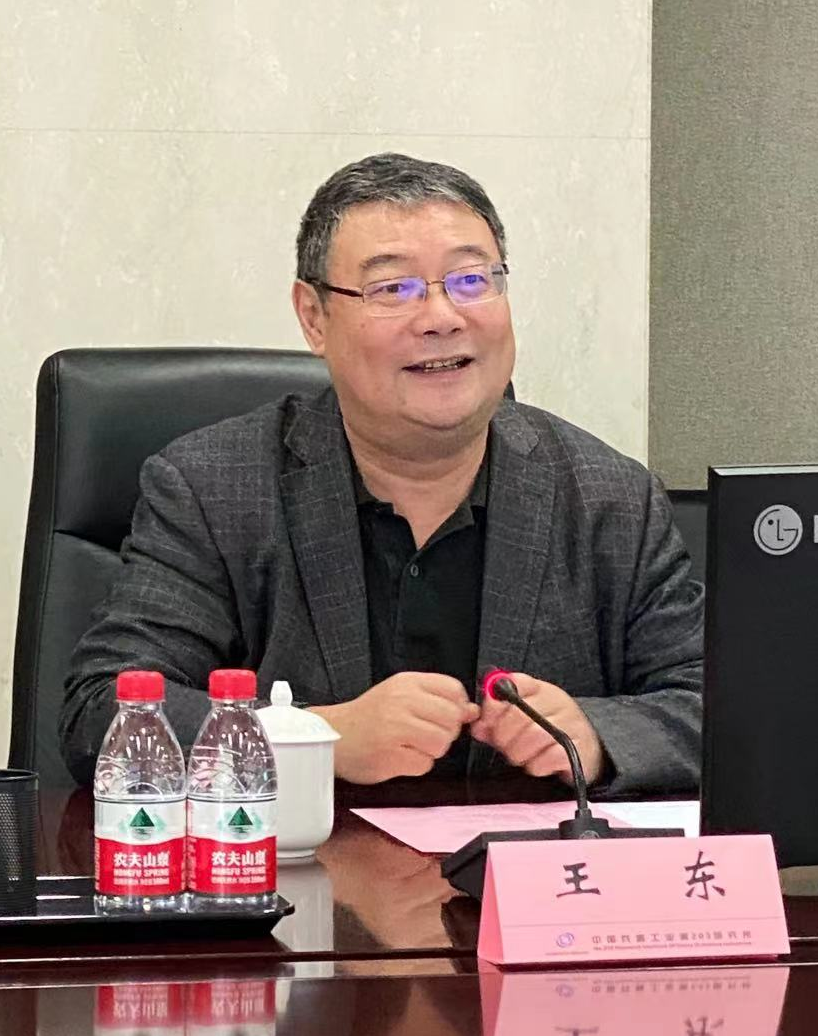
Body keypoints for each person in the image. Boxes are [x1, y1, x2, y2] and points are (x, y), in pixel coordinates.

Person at [60, 152, 703, 793]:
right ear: (314, 317)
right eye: (393, 289)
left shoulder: (610, 497)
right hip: (306, 859)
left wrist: (595, 735)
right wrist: (319, 737)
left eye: (471, 281)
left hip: (523, 861)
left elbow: (715, 706)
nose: (442, 317)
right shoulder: (213, 489)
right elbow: (102, 711)